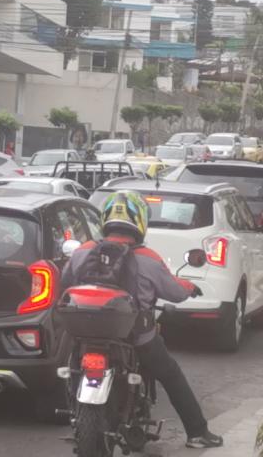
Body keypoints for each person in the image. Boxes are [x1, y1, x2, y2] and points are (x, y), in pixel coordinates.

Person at [61, 191, 223, 450]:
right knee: (171, 374)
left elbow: (65, 283)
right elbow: (174, 291)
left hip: (84, 335)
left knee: (71, 369)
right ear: (140, 222)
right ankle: (197, 433)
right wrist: (190, 287)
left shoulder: (83, 251)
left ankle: (74, 408)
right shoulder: (148, 258)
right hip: (136, 338)